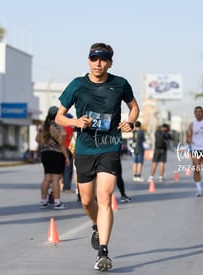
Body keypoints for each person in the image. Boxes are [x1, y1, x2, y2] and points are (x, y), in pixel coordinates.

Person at [54, 42, 139, 272]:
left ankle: (103, 252)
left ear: (110, 62)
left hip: (110, 146)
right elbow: (59, 117)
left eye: (102, 59)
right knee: (85, 201)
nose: (98, 63)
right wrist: (76, 122)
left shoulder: (120, 84)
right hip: (84, 149)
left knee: (105, 197)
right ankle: (95, 225)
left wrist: (130, 122)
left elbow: (134, 107)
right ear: (88, 61)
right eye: (94, 59)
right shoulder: (77, 85)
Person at [37, 106, 70, 210]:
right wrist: (66, 157)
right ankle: (57, 202)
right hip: (56, 154)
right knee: (56, 179)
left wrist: (46, 144)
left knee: (47, 178)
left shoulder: (43, 126)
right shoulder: (59, 127)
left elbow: (37, 139)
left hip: (45, 154)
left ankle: (43, 201)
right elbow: (61, 144)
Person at [61, 113, 75, 193]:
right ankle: (66, 187)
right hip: (68, 150)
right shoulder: (70, 129)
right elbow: (71, 140)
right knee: (68, 169)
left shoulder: (61, 128)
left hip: (61, 149)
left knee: (62, 168)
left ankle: (62, 184)